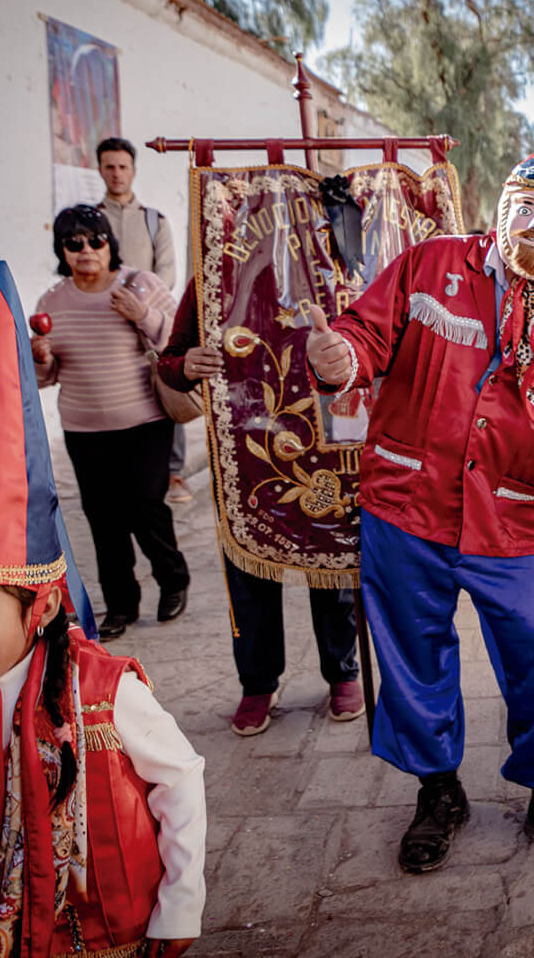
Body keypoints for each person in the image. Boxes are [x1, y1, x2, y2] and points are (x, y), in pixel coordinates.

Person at [305, 146, 534, 875]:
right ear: (502, 206)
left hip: (513, 523)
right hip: (405, 507)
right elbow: (365, 332)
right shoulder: (432, 266)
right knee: (413, 659)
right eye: (525, 204)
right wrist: (342, 359)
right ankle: (438, 792)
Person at [0, 260, 205, 958]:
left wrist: (179, 909)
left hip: (104, 929)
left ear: (41, 606)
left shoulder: (102, 694)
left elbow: (178, 780)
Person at [156, 287, 365, 735]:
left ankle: (343, 672)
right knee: (249, 569)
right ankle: (257, 683)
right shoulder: (218, 264)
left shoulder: (327, 252)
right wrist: (185, 366)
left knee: (331, 559)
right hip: (248, 447)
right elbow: (170, 361)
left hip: (326, 436)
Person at [32, 205, 190, 640]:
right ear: (62, 250)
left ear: (110, 244)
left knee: (146, 506)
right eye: (74, 243)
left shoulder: (139, 284)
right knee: (103, 519)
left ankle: (173, 578)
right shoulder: (52, 301)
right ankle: (120, 603)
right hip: (84, 429)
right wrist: (40, 359)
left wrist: (142, 315)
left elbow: (177, 343)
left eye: (95, 240)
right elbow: (47, 379)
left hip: (144, 422)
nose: (86, 251)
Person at [95, 135, 191, 505]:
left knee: (164, 388)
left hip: (149, 322)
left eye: (123, 167)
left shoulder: (155, 222)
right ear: (99, 169)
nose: (117, 174)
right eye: (109, 167)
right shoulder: (92, 219)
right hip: (106, 327)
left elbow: (165, 275)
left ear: (133, 170)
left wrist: (140, 308)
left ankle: (174, 472)